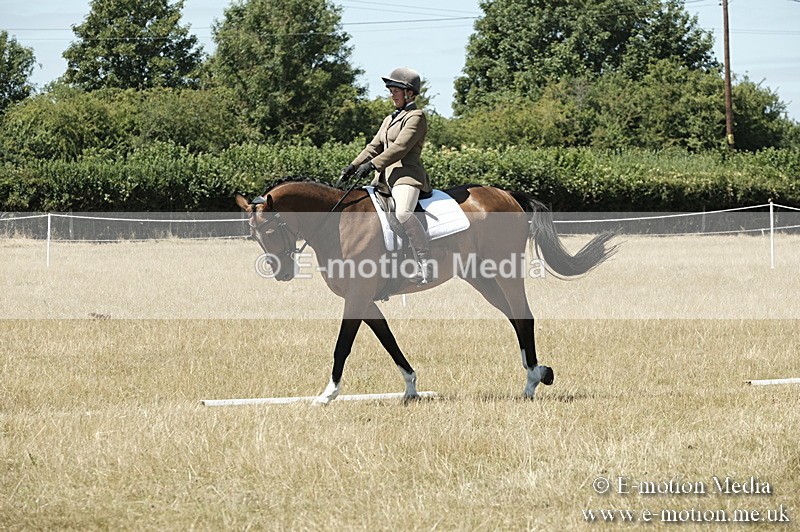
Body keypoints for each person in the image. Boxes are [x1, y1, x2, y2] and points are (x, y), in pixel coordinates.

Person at [340, 67, 434, 284]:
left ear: (409, 93)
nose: (391, 94)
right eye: (390, 90)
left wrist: (373, 165)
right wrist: (353, 166)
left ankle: (425, 263)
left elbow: (400, 147)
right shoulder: (389, 119)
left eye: (395, 90)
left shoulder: (416, 117)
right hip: (384, 181)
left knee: (402, 213)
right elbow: (374, 146)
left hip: (406, 177)